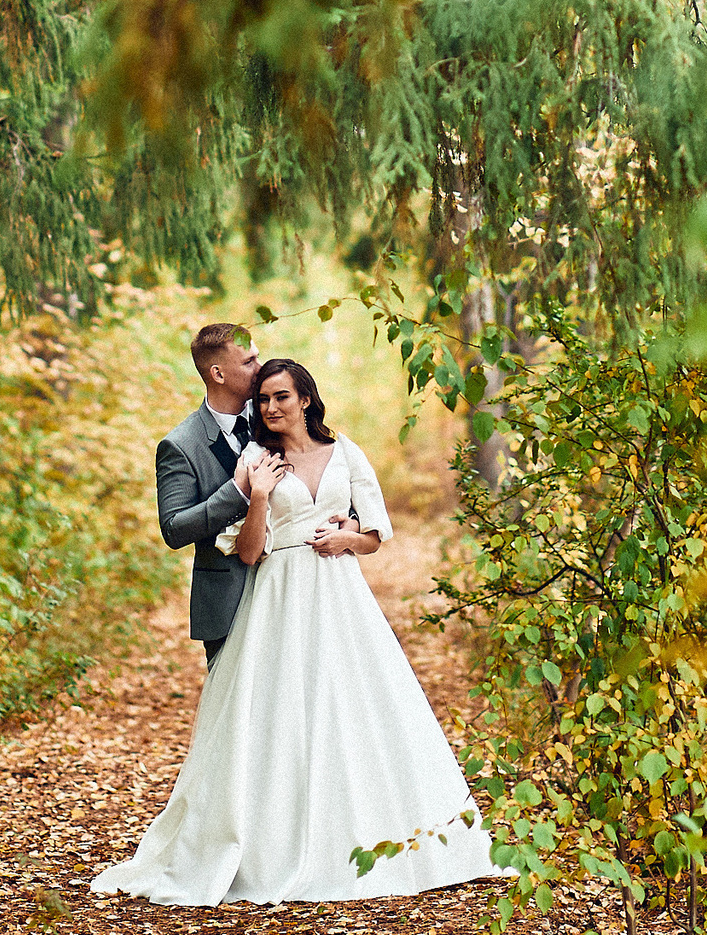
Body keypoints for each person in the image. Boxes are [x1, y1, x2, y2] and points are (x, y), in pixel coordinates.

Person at [94, 359, 510, 905]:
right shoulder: (255, 459)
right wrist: (260, 496)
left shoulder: (346, 452)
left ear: (306, 400)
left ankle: (380, 835)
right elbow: (247, 551)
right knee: (277, 712)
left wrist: (347, 540)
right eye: (264, 398)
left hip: (339, 590)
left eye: (281, 397)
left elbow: (376, 531)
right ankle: (272, 842)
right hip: (277, 593)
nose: (271, 407)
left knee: (355, 705)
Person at [154, 322, 261, 665]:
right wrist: (236, 492)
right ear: (218, 373)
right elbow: (174, 528)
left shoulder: (277, 414)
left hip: (293, 586)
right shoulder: (180, 445)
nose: (260, 369)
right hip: (226, 600)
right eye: (248, 362)